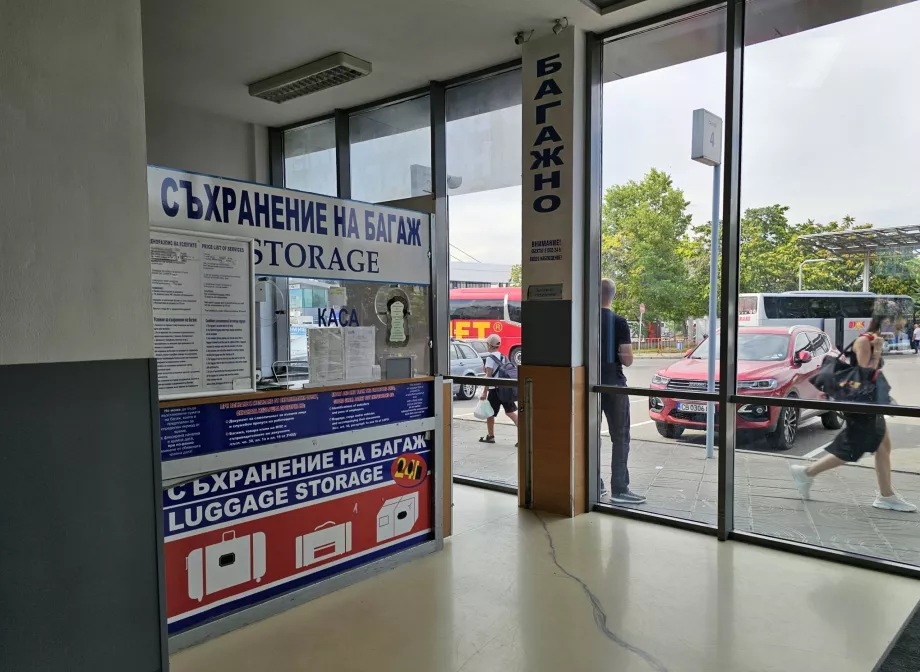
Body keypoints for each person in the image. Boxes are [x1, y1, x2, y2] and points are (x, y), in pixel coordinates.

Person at [790, 312, 916, 512]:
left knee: (884, 445)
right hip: (859, 404)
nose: (898, 331)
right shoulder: (865, 342)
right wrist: (877, 353)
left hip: (868, 403)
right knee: (852, 448)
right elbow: (865, 375)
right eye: (896, 327)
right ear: (884, 323)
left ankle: (886, 495)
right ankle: (806, 472)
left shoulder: (872, 340)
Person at [599, 279, 643, 504]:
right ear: (612, 296)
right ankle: (620, 489)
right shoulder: (619, 322)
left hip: (587, 386)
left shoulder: (585, 319)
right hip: (614, 385)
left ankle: (594, 483)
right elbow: (627, 360)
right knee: (620, 437)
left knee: (589, 435)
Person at [478, 334, 519, 444]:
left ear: (490, 345)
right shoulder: (504, 356)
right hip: (505, 389)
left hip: (494, 390)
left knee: (490, 413)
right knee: (511, 413)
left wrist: (484, 392)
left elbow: (489, 376)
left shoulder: (490, 358)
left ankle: (491, 436)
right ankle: (523, 437)